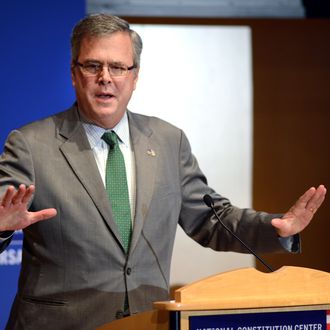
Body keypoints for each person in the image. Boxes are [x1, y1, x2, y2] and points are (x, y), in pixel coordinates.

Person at [0, 13, 326, 329]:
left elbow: (212, 218)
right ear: (74, 73)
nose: (105, 77)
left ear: (135, 76)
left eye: (118, 67)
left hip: (147, 321)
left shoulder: (169, 141)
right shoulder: (31, 144)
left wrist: (276, 227)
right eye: (92, 65)